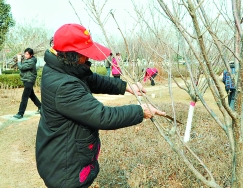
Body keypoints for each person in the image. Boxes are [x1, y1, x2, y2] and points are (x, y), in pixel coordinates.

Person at [35, 23, 166, 188]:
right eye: (84, 54)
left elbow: (92, 79)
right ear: (71, 55)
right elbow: (102, 116)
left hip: (62, 155)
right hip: (65, 168)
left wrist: (126, 87)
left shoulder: (61, 68)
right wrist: (141, 111)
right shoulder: (64, 86)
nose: (88, 58)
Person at [13, 48, 41, 119]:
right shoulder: (27, 60)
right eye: (25, 53)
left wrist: (19, 60)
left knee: (24, 97)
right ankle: (41, 107)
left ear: (31, 55)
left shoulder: (31, 62)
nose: (25, 55)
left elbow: (21, 67)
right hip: (26, 80)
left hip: (29, 81)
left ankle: (20, 113)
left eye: (27, 54)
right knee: (32, 95)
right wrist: (18, 58)